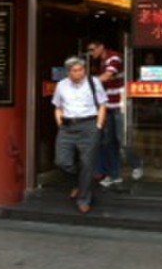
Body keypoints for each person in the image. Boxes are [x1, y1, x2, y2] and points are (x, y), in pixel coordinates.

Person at [52, 56, 107, 214]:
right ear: (68, 72)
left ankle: (84, 199)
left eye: (81, 70)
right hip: (68, 126)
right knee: (62, 161)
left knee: (87, 163)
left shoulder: (93, 82)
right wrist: (60, 124)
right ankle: (79, 182)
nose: (79, 73)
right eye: (75, 71)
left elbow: (103, 105)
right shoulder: (61, 85)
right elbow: (57, 106)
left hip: (89, 125)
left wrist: (98, 126)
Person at [88, 39, 143, 186]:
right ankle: (114, 175)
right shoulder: (101, 61)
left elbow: (108, 76)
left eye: (93, 49)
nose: (91, 53)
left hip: (120, 105)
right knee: (108, 142)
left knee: (122, 141)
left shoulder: (114, 58)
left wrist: (86, 82)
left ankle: (137, 164)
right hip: (108, 106)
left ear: (101, 46)